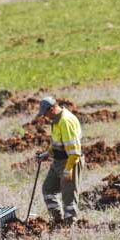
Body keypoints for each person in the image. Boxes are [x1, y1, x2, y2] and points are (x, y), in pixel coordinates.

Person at [35, 96, 84, 224]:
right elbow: (57, 142)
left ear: (52, 109)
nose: (45, 116)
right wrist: (47, 153)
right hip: (58, 161)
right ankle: (57, 221)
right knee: (48, 189)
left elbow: (75, 152)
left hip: (69, 162)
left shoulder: (65, 121)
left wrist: (68, 170)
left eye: (45, 113)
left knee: (68, 197)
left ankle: (70, 226)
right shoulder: (55, 121)